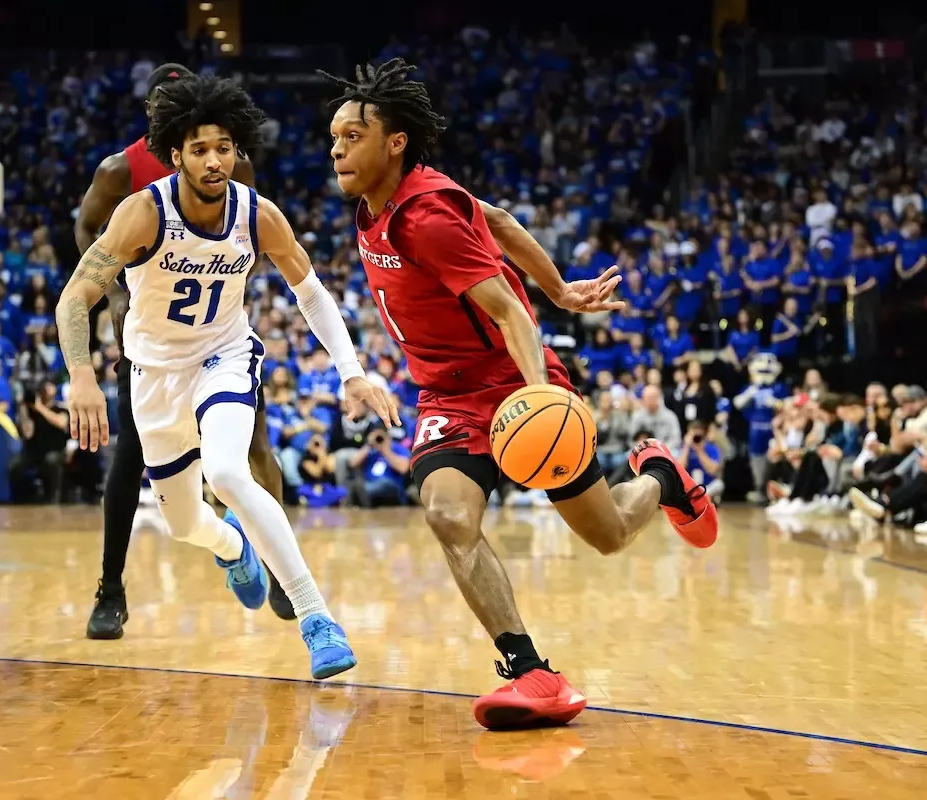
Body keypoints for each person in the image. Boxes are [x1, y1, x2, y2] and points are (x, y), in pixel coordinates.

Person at [321, 58, 718, 729]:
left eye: (352, 136)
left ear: (395, 143)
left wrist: (538, 393)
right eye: (333, 137)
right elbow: (498, 218)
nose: (336, 149)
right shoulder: (376, 205)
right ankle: (532, 672)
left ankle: (660, 478)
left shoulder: (426, 218)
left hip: (513, 381)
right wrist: (559, 288)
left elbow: (509, 312)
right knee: (448, 516)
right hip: (446, 398)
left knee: (610, 535)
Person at [58, 74, 398, 680]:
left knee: (227, 470)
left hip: (224, 356)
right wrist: (81, 375)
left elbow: (311, 292)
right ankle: (235, 546)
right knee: (186, 523)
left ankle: (316, 617)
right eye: (199, 150)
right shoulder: (142, 212)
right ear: (176, 155)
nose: (214, 161)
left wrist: (352, 372)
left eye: (223, 148)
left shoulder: (257, 214)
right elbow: (74, 296)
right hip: (153, 374)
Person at [74, 63, 294, 637]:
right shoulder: (120, 171)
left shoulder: (230, 164)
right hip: (151, 343)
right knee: (129, 459)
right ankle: (111, 588)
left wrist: (231, 277)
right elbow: (86, 230)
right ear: (154, 115)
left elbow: (252, 230)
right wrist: (117, 289)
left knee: (256, 447)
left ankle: (280, 566)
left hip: (218, 338)